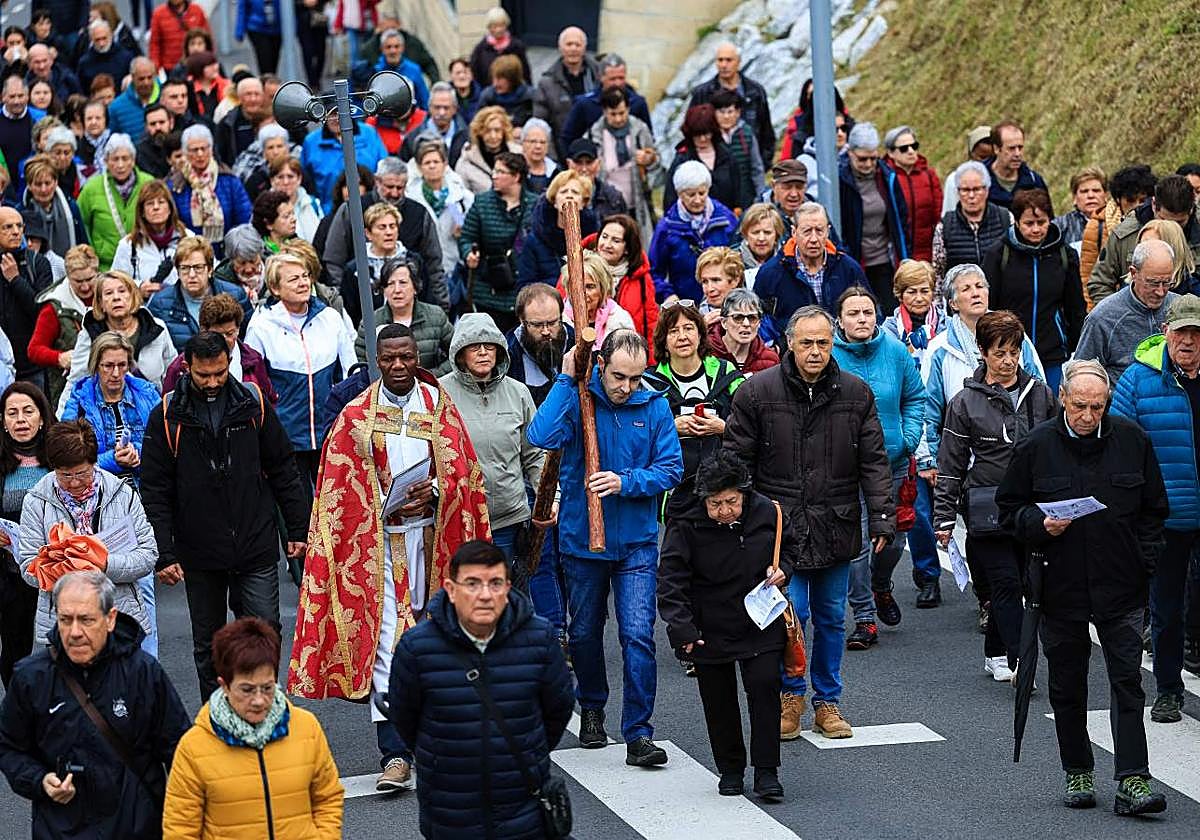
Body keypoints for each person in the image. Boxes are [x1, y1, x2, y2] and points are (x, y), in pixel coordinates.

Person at [289, 322, 491, 789]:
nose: (398, 366)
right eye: (389, 359)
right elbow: (338, 490)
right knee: (386, 645)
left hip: (434, 540)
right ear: (376, 360)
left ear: (415, 355)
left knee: (438, 639)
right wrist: (386, 503)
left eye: (405, 357)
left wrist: (436, 492)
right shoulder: (357, 416)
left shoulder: (438, 407)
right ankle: (394, 753)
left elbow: (464, 472)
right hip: (379, 545)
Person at [997, 358, 1169, 815]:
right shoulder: (1035, 447)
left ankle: (1133, 778)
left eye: (1097, 407)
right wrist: (1039, 523)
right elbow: (1009, 511)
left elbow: (1155, 509)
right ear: (1062, 399)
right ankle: (1077, 769)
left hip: (1122, 584)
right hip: (1061, 584)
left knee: (1127, 682)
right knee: (1068, 683)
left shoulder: (1132, 440)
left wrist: (1143, 560)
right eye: (1080, 407)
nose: (1088, 416)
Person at [724, 305, 894, 741]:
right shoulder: (757, 393)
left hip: (836, 523)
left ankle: (827, 701)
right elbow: (736, 462)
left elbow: (874, 461)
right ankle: (791, 695)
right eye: (807, 343)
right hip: (780, 530)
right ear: (789, 344)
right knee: (790, 614)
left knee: (833, 617)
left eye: (823, 343)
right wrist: (742, 523)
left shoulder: (856, 393)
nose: (816, 351)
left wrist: (881, 518)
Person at [527, 329, 682, 765]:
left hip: (637, 543)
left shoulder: (653, 405)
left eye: (635, 377)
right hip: (582, 541)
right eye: (618, 376)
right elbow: (540, 436)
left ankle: (638, 733)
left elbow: (671, 469)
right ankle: (592, 706)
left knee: (637, 635)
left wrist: (625, 482)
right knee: (583, 633)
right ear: (599, 365)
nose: (627, 386)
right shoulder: (579, 398)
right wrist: (564, 379)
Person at [142, 331, 308, 699]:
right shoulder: (167, 415)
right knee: (209, 646)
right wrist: (165, 552)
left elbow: (283, 467)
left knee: (266, 632)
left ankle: (264, 706)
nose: (214, 381)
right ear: (187, 368)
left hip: (255, 542)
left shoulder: (253, 403)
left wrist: (297, 527)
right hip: (200, 550)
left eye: (220, 372)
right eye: (204, 375)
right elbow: (155, 490)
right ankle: (214, 722)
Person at [387, 539, 572, 835]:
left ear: (509, 587)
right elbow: (405, 717)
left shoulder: (539, 639)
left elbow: (558, 709)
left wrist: (522, 754)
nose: (485, 595)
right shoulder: (418, 648)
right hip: (450, 809)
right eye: (472, 584)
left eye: (495, 583)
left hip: (522, 804)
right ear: (450, 589)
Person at [0, 570, 190, 839]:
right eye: (65, 620)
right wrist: (39, 780)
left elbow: (180, 750)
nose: (75, 632)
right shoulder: (32, 677)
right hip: (60, 829)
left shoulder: (142, 672)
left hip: (136, 827)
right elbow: (9, 746)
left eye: (86, 620)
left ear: (110, 619)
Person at [658, 450, 793, 799]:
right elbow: (671, 579)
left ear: (743, 493)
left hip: (760, 619)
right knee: (718, 701)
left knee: (764, 690)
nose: (724, 511)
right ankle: (730, 769)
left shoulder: (768, 511)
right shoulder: (685, 523)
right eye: (715, 504)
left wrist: (783, 572)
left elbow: (790, 547)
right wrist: (683, 631)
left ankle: (766, 771)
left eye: (731, 501)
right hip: (708, 623)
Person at [933, 310, 1056, 681]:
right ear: (982, 352)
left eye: (1014, 352)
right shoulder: (964, 403)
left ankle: (995, 651)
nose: (1008, 361)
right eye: (999, 352)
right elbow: (950, 462)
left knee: (1024, 581)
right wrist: (943, 517)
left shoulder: (1040, 394)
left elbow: (1054, 450)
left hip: (1031, 507)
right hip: (986, 507)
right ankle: (1023, 661)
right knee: (1005, 583)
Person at [163, 616, 344, 838]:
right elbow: (180, 829)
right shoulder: (194, 748)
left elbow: (328, 798)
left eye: (267, 688)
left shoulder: (306, 728)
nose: (259, 700)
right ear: (224, 685)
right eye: (247, 690)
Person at [1111, 294, 1200, 725]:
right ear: (1166, 331)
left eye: (1197, 333)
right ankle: (1168, 690)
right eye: (1182, 331)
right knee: (1166, 609)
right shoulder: (1137, 379)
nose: (1188, 341)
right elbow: (1119, 448)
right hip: (1168, 515)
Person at [831, 287, 925, 649]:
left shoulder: (896, 350)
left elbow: (915, 397)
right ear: (840, 318)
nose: (861, 319)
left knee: (895, 540)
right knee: (857, 546)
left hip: (893, 462)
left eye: (867, 312)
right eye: (853, 313)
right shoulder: (830, 355)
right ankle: (864, 617)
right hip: (846, 468)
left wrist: (909, 437)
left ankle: (881, 584)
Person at [17, 418, 158, 645]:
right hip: (61, 623)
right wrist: (71, 567)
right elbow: (27, 566)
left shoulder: (122, 494)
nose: (74, 483)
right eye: (65, 475)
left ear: (95, 463)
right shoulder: (36, 501)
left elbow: (148, 555)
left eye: (82, 474)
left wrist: (103, 564)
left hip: (118, 615)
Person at [439, 313, 545, 563]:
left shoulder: (518, 392)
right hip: (460, 519)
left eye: (490, 346)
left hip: (510, 519)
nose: (483, 352)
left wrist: (549, 498)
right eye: (474, 346)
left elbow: (535, 454)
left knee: (507, 595)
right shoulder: (440, 394)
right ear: (460, 353)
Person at [244, 253, 356, 485]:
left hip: (330, 432)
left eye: (305, 276)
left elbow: (349, 372)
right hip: (287, 438)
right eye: (294, 279)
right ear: (275, 288)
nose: (304, 283)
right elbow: (253, 383)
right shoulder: (261, 325)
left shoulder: (331, 317)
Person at [643, 300, 743, 516]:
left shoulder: (727, 373)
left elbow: (751, 424)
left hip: (721, 494)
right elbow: (635, 433)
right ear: (663, 340)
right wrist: (671, 427)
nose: (682, 337)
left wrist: (723, 428)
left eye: (688, 328)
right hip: (671, 500)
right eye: (673, 331)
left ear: (700, 334)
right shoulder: (649, 383)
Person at [984, 188, 1086, 392]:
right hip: (1008, 352)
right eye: (1029, 224)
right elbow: (989, 306)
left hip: (1053, 353)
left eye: (1042, 222)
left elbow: (1075, 306)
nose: (1036, 229)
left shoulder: (1065, 255)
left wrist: (1077, 348)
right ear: (1017, 222)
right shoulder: (998, 254)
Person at [321, 158, 448, 312]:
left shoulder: (419, 214)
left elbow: (434, 263)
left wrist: (442, 305)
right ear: (377, 181)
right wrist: (341, 302)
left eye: (400, 187)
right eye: (389, 186)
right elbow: (334, 260)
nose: (394, 193)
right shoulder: (352, 209)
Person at [61, 270, 178, 409]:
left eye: (122, 291)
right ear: (100, 303)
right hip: (106, 414)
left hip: (152, 411)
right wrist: (62, 419)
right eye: (109, 293)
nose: (116, 297)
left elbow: (173, 373)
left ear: (133, 296)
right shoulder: (90, 334)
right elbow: (76, 381)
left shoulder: (157, 328)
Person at [0, 383, 53, 687]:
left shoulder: (57, 457)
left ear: (42, 418)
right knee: (14, 649)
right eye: (12, 413)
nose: (20, 420)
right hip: (9, 571)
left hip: (52, 565)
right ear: (4, 422)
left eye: (28, 411)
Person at [753, 201, 869, 338]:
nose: (814, 239)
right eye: (807, 231)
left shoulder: (848, 268)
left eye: (819, 231)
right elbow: (759, 319)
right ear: (794, 232)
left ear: (828, 231)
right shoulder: (771, 273)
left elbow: (870, 311)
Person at [1075, 239, 1180, 382]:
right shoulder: (1103, 318)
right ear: (1133, 273)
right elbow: (1080, 375)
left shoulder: (1180, 309)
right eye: (1153, 283)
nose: (1161, 292)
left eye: (1167, 282)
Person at [1090, 174, 1200, 305]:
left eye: (1179, 223)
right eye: (1164, 220)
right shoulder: (1125, 234)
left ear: (1191, 210)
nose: (1170, 228)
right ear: (1154, 205)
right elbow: (1100, 283)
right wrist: (1118, 315)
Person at [458, 151, 537, 333]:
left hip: (523, 287)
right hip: (489, 287)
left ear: (516, 176)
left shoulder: (535, 205)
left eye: (501, 172)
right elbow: (467, 238)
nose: (494, 175)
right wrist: (468, 252)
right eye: (494, 171)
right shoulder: (482, 203)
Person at [838, 122, 909, 310]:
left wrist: (903, 257)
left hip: (884, 260)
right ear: (850, 153)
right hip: (854, 261)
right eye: (862, 159)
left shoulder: (887, 177)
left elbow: (901, 220)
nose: (868, 164)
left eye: (873, 158)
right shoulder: (840, 181)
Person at [649, 161, 738, 304]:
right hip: (685, 304)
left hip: (725, 302)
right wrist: (667, 295)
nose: (697, 200)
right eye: (690, 195)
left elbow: (739, 261)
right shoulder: (667, 227)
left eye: (702, 193)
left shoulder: (726, 219)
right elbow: (653, 272)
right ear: (679, 193)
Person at [162, 293, 277, 400]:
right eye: (217, 334)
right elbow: (168, 408)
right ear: (203, 330)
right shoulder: (179, 368)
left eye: (230, 333)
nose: (224, 340)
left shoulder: (253, 360)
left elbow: (267, 400)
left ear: (238, 329)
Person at [147, 235, 251, 349]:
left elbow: (248, 341)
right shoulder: (160, 304)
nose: (191, 275)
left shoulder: (235, 295)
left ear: (210, 269)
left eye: (198, 267)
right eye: (185, 268)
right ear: (177, 271)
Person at [587, 85, 660, 242]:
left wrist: (649, 160)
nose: (618, 119)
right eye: (613, 114)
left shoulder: (640, 129)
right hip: (608, 206)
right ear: (604, 112)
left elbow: (657, 163)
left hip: (637, 202)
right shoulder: (594, 134)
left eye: (622, 113)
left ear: (628, 108)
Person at [687, 41, 774, 172]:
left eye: (728, 60)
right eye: (720, 60)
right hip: (713, 167)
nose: (723, 65)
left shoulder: (755, 91)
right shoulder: (702, 93)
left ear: (738, 62)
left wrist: (763, 162)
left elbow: (766, 130)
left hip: (749, 165)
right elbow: (691, 128)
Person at [355, 257, 453, 373]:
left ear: (415, 287)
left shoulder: (436, 316)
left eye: (403, 283)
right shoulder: (371, 322)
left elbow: (456, 354)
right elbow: (361, 362)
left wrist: (432, 377)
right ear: (384, 290)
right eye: (390, 284)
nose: (397, 290)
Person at [580, 213, 659, 351]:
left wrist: (651, 361)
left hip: (628, 351)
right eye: (604, 237)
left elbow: (651, 323)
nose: (607, 244)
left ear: (627, 248)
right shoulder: (578, 269)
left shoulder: (641, 278)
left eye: (616, 241)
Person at [1080, 165, 1157, 303]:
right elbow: (1090, 279)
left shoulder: (1158, 226)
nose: (1137, 206)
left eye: (1142, 201)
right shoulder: (1099, 226)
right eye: (1130, 201)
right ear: (1118, 200)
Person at [75, 134, 153, 270]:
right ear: (105, 161)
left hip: (144, 262)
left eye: (125, 158)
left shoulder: (149, 184)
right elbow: (82, 224)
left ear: (133, 160)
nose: (120, 165)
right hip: (105, 266)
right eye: (115, 159)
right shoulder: (91, 188)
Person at [167, 124, 254, 245]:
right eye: (194, 150)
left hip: (227, 251)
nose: (200, 154)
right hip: (190, 252)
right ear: (185, 152)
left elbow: (244, 219)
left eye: (204, 148)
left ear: (211, 149)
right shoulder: (176, 185)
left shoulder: (229, 180)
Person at [0, 207, 55, 388]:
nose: (15, 232)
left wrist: (15, 280)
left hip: (32, 365)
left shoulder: (38, 263)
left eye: (19, 226)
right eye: (7, 227)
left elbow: (42, 313)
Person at [931, 160, 1012, 284]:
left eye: (977, 189)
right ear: (958, 192)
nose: (971, 195)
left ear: (987, 190)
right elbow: (938, 273)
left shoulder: (1005, 218)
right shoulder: (944, 226)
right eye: (965, 190)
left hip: (999, 298)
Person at [111, 179, 193, 297]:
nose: (156, 207)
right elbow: (115, 282)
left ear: (170, 208)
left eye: (161, 202)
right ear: (142, 212)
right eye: (150, 203)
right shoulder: (128, 245)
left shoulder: (188, 239)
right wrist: (139, 287)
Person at [559, 53, 653, 157]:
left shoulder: (637, 103)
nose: (617, 83)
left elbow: (648, 139)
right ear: (601, 77)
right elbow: (567, 139)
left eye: (621, 78)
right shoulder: (584, 104)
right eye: (612, 79)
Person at [405, 140, 473, 284]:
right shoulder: (411, 197)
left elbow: (474, 228)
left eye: (436, 161)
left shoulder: (462, 196)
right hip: (425, 270)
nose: (432, 166)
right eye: (427, 162)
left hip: (456, 267)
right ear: (419, 167)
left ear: (445, 164)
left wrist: (465, 230)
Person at [517, 169, 598, 288]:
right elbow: (525, 286)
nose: (569, 195)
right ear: (554, 201)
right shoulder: (535, 240)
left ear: (583, 203)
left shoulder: (593, 240)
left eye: (575, 192)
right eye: (564, 191)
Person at [663, 104, 749, 215]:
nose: (703, 139)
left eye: (706, 133)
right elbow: (670, 200)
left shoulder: (727, 156)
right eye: (697, 134)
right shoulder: (682, 159)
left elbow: (739, 194)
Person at [302, 110, 387, 215]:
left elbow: (384, 171)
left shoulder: (369, 134)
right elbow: (306, 181)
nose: (337, 118)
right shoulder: (311, 142)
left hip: (371, 210)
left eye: (340, 112)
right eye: (332, 113)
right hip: (328, 212)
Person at [534, 26, 600, 153]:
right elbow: (540, 124)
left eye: (577, 44)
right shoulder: (547, 82)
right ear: (560, 48)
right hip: (562, 149)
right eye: (569, 44)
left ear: (584, 48)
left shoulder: (598, 75)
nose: (573, 49)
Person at [881, 125, 942, 262]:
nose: (911, 151)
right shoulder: (885, 177)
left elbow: (938, 214)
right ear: (891, 153)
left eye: (914, 146)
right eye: (904, 148)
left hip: (927, 254)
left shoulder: (929, 175)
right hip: (895, 255)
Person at [16, 154, 87, 258]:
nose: (43, 189)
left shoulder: (71, 207)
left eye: (47, 183)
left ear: (55, 182)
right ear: (29, 185)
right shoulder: (19, 213)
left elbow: (82, 242)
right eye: (38, 184)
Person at [564, 251, 637, 349]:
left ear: (602, 289)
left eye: (590, 287)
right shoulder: (560, 320)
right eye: (577, 286)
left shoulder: (620, 320)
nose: (583, 293)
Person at [707, 288, 779, 374]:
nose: (746, 323)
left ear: (759, 323)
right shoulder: (705, 352)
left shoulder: (770, 359)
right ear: (724, 323)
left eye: (752, 318)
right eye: (738, 317)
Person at [454, 105, 522, 196]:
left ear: (504, 131)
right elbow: (461, 196)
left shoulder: (518, 154)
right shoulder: (466, 162)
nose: (493, 136)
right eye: (487, 131)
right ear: (479, 132)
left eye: (497, 130)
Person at [565, 138, 630, 232]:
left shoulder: (614, 198)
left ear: (598, 163)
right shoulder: (558, 196)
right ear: (569, 164)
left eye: (589, 162)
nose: (584, 169)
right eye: (578, 162)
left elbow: (625, 234)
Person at [398, 82, 469, 167]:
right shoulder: (413, 138)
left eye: (446, 108)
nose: (442, 112)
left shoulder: (467, 137)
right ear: (430, 107)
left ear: (455, 109)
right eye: (437, 107)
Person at [983, 120, 1047, 209]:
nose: (1017, 154)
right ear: (996, 149)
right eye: (1011, 148)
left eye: (1020, 148)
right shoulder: (979, 181)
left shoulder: (1034, 181)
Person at [468, 7, 531, 92]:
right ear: (489, 27)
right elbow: (475, 76)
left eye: (501, 25)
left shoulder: (517, 47)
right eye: (494, 26)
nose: (498, 30)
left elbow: (526, 74)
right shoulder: (480, 50)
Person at [268, 157, 324, 244]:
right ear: (272, 180)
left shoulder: (313, 204)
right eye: (280, 177)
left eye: (290, 176)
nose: (286, 182)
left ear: (299, 179)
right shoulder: (263, 207)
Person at [106, 57, 159, 143]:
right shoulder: (116, 108)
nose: (146, 83)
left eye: (150, 77)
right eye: (141, 79)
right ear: (133, 77)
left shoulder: (166, 97)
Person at [1054, 167, 1108, 248]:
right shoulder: (1060, 226)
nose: (1090, 196)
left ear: (1106, 195)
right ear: (1074, 198)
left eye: (1096, 190)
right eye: (1084, 191)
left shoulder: (1117, 222)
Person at [149, 0, 209, 71]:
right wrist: (155, 67)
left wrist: (209, 61)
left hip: (195, 65)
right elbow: (154, 44)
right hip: (170, 68)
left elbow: (207, 39)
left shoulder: (197, 11)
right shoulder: (158, 14)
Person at [476, 55, 534, 128]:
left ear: (512, 79)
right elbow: (478, 125)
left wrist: (524, 131)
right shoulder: (487, 97)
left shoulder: (530, 98)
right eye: (494, 78)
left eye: (500, 79)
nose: (495, 84)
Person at [738, 203, 785, 288]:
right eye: (755, 232)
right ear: (745, 235)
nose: (761, 238)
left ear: (777, 235)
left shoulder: (787, 262)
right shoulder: (732, 262)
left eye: (767, 232)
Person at [765, 160, 810, 242]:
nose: (794, 194)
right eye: (787, 187)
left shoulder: (816, 213)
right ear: (773, 186)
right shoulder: (756, 215)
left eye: (799, 187)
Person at [519, 118, 556, 193]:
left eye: (542, 142)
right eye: (533, 141)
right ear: (523, 143)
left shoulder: (556, 172)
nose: (538, 146)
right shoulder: (513, 170)